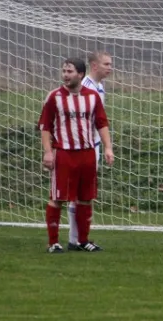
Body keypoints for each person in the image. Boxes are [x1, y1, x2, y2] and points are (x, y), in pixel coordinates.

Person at [38, 57, 114, 253]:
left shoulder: (92, 96)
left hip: (87, 153)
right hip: (63, 153)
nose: (65, 75)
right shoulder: (54, 96)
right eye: (64, 71)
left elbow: (102, 123)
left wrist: (108, 148)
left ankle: (83, 241)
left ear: (80, 74)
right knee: (57, 197)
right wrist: (47, 152)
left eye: (70, 71)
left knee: (85, 198)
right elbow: (45, 126)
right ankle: (53, 242)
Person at [67, 51, 113, 251]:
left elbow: (99, 120)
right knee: (78, 193)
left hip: (92, 146)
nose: (110, 68)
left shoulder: (99, 87)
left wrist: (106, 146)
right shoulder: (83, 87)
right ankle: (75, 239)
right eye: (106, 64)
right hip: (80, 148)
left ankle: (79, 238)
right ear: (94, 65)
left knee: (85, 193)